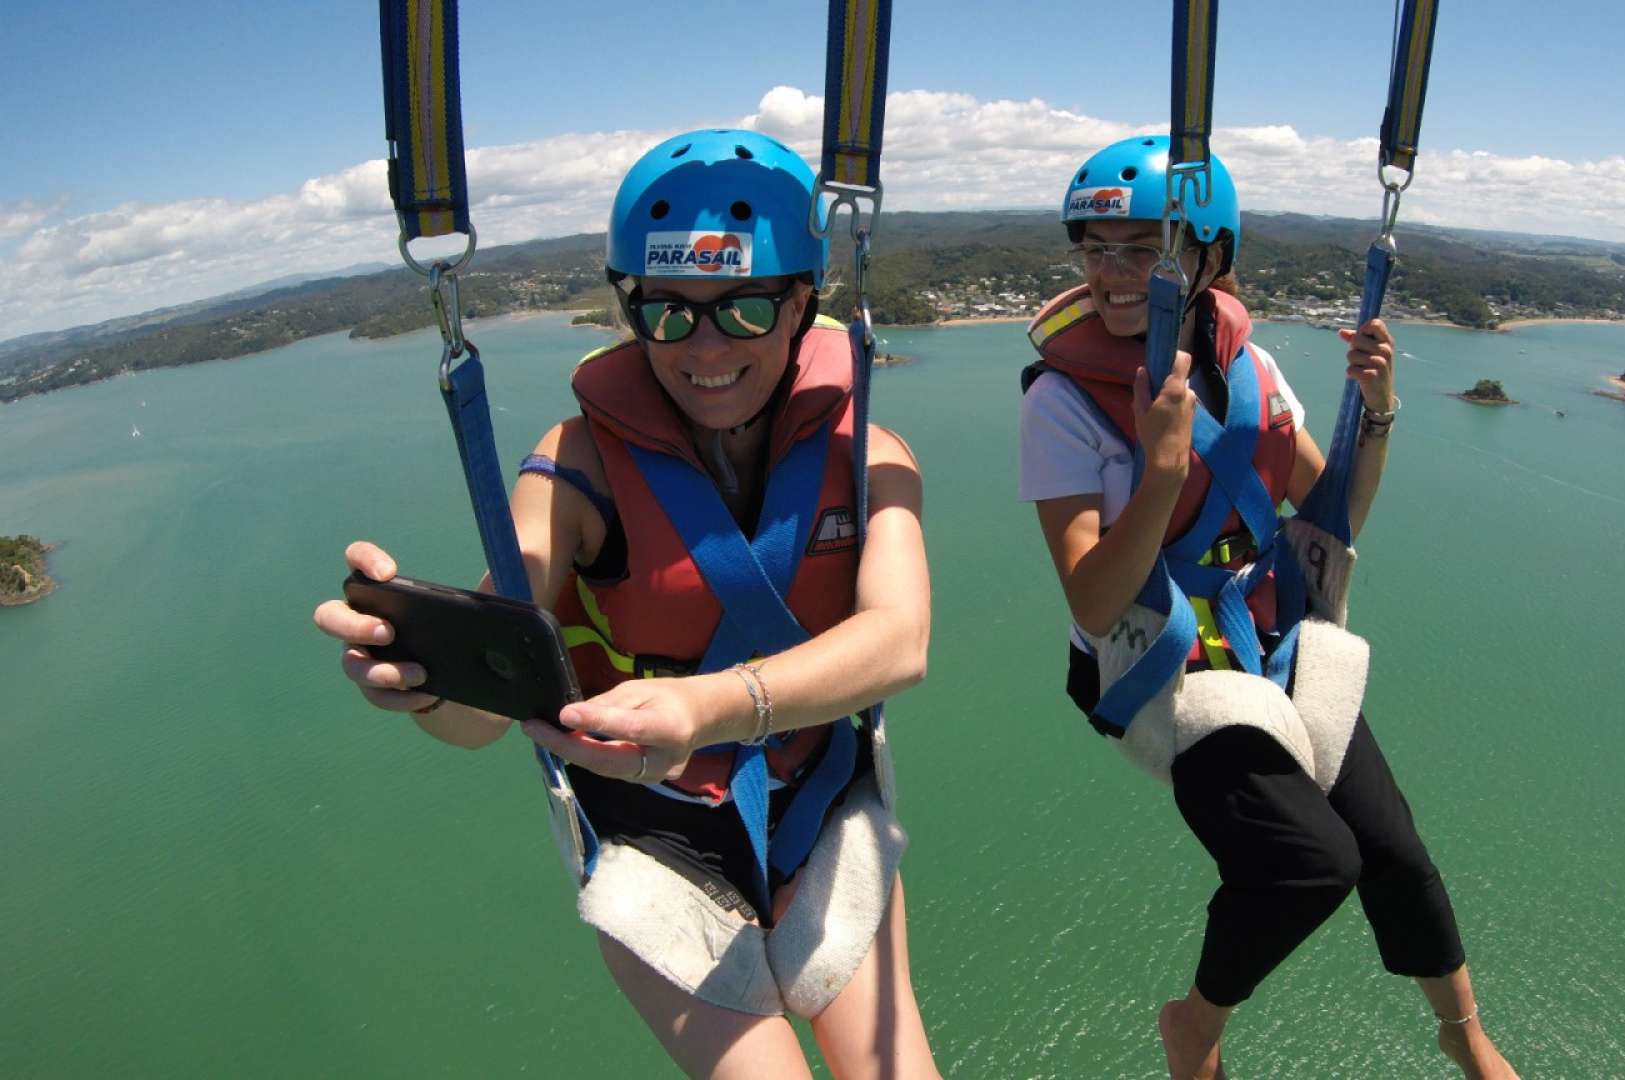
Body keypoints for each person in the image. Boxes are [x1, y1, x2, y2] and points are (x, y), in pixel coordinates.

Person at [314, 130, 940, 1079]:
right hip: (655, 839)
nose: (705, 347)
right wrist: (426, 675)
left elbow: (899, 642)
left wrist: (706, 708)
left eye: (745, 309)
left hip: (818, 805)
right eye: (669, 313)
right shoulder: (576, 470)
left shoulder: (866, 453)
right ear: (630, 309)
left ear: (803, 304)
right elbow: (486, 708)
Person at [1019, 136, 1517, 1080]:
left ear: (1208, 257)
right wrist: (1160, 471)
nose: (1117, 275)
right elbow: (1089, 596)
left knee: (1395, 851)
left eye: (1145, 251)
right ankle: (1196, 1026)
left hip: (1263, 639)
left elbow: (1330, 520)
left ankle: (1463, 1032)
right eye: (1097, 249)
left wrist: (1377, 411)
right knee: (1308, 861)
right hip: (1155, 660)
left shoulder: (1252, 371)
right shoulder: (1063, 401)